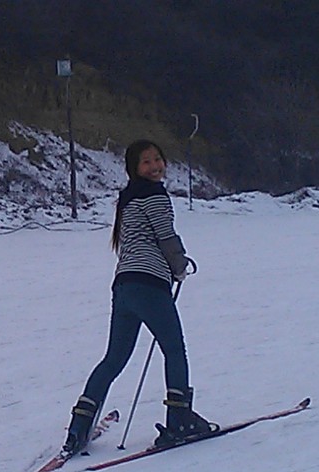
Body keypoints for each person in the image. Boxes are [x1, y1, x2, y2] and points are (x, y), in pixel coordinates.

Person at [62, 140, 217, 454]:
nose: (155, 166)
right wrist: (179, 266)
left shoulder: (128, 198)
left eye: (158, 159)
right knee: (174, 349)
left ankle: (80, 424)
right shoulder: (155, 195)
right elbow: (165, 237)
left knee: (114, 358)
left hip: (124, 286)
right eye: (146, 162)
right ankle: (180, 419)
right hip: (150, 284)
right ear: (134, 168)